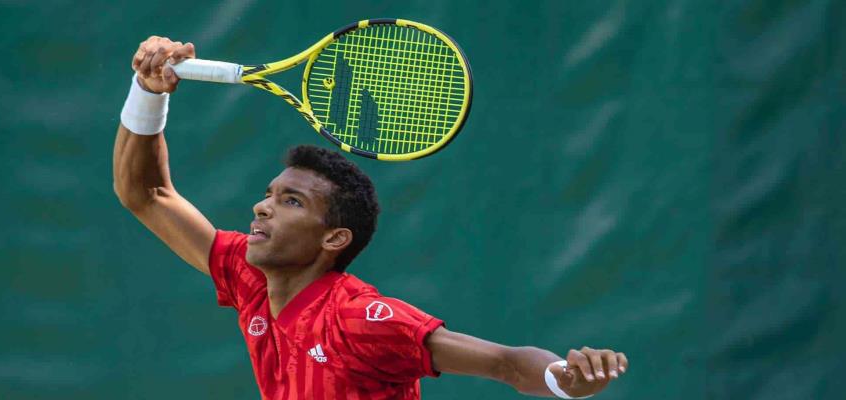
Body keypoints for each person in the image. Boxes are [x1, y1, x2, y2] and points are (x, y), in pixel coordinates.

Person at [113, 36, 629, 400]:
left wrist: (566, 378)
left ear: (334, 238)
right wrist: (149, 91)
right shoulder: (250, 276)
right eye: (269, 193)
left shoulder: (360, 321)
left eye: (292, 201)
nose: (262, 206)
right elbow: (147, 193)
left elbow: (506, 363)